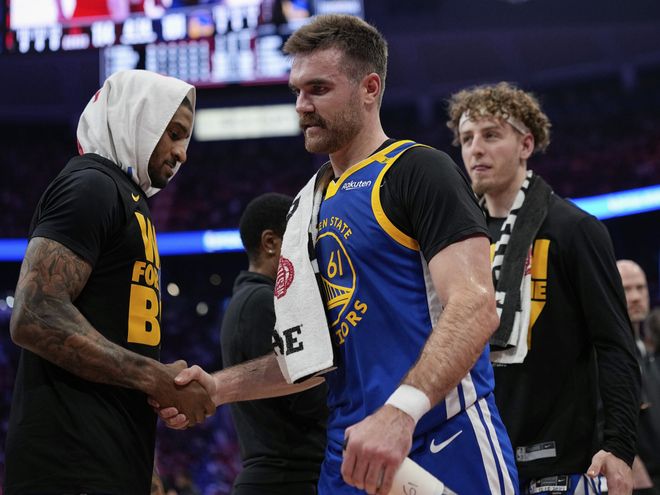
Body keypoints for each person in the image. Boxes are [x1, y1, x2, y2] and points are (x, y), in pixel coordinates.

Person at [157, 14, 518, 495]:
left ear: (370, 88)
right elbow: (309, 355)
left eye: (319, 89)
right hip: (346, 462)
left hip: (441, 442)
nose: (302, 106)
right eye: (297, 91)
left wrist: (400, 412)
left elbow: (475, 306)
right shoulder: (305, 206)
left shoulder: (418, 170)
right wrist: (219, 387)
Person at [4, 69, 215, 495]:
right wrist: (158, 379)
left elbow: (119, 338)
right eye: (173, 134)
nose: (182, 153)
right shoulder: (91, 185)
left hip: (109, 464)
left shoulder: (127, 198)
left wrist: (142, 468)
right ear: (138, 119)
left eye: (186, 139)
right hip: (68, 469)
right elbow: (34, 313)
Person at [446, 81, 641, 495]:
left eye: (490, 135)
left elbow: (615, 345)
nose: (475, 149)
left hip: (563, 461)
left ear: (526, 144)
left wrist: (620, 447)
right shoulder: (456, 241)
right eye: (467, 138)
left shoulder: (574, 229)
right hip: (482, 456)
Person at [221, 192, 327, 495]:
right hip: (285, 480)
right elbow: (307, 397)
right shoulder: (262, 303)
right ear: (271, 243)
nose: (308, 249)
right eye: (300, 237)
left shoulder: (249, 301)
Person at [617, 259, 660, 495]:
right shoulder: (602, 356)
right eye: (626, 289)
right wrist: (630, 460)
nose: (635, 297)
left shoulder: (649, 352)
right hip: (639, 480)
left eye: (640, 288)